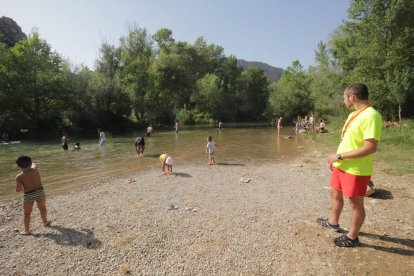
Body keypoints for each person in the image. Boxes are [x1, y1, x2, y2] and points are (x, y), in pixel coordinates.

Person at [317, 83, 382, 247]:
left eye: (344, 97)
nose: (343, 100)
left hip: (356, 169)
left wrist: (338, 156)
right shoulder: (353, 114)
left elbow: (370, 147)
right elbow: (348, 141)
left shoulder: (371, 115)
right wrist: (337, 160)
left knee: (355, 203)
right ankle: (333, 222)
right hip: (342, 165)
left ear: (352, 97)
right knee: (335, 193)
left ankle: (352, 237)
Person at [15, 156, 51, 235]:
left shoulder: (19, 177)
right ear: (31, 163)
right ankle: (45, 222)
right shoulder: (35, 169)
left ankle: (26, 230)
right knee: (42, 208)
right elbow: (34, 164)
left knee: (27, 213)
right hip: (39, 192)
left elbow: (18, 189)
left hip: (28, 195)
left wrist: (19, 188)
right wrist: (31, 162)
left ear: (18, 166)